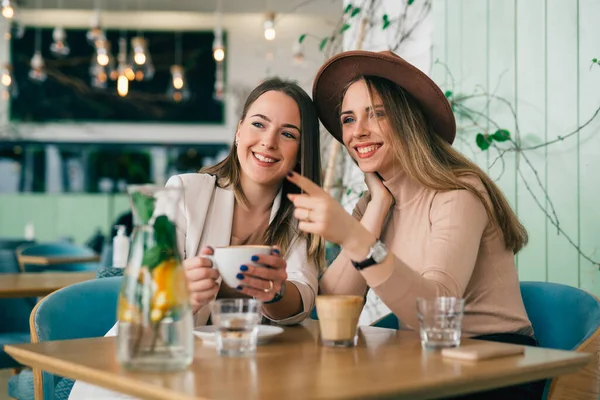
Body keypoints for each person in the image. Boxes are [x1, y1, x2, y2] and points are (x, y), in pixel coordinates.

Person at [286, 50, 544, 399]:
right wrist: (376, 208)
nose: (358, 132)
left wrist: (354, 237)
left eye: (376, 114)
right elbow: (331, 307)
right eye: (348, 119)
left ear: (407, 120)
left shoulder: (459, 192)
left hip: (493, 367)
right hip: (427, 361)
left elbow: (437, 314)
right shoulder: (374, 204)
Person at [69, 78, 324, 399]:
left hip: (235, 376)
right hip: (147, 363)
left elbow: (302, 299)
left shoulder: (303, 216)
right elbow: (145, 291)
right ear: (239, 132)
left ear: (301, 153)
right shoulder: (185, 192)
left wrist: (275, 293)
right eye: (259, 124)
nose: (269, 141)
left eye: (288, 134)